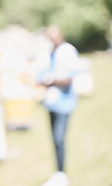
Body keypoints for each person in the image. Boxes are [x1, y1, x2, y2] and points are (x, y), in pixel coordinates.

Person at [37, 25, 80, 186]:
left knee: (59, 137)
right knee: (55, 140)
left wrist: (50, 80)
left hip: (64, 102)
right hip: (52, 102)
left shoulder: (67, 51)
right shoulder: (49, 52)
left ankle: (62, 173)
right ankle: (58, 172)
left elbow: (68, 77)